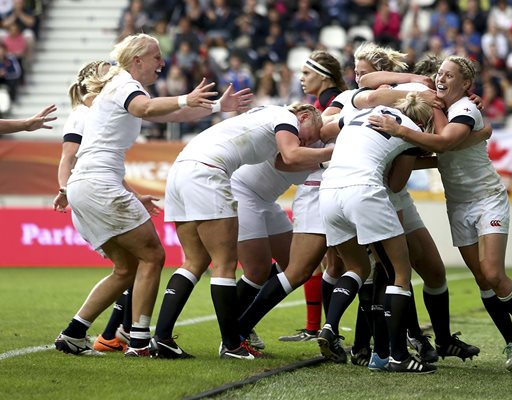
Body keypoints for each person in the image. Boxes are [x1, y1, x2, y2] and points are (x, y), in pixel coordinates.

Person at [54, 33, 252, 357]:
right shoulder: (124, 84)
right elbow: (148, 107)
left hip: (87, 186)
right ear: (137, 60)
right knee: (154, 256)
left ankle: (74, 333)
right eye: (157, 57)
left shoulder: (119, 87)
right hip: (98, 184)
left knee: (126, 267)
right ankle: (140, 341)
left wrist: (217, 106)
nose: (162, 63)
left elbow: (167, 114)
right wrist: (187, 97)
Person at [368, 55, 512, 371]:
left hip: (487, 199)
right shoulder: (442, 108)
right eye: (439, 73)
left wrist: (400, 130)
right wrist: (478, 129)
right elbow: (440, 151)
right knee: (482, 278)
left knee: (493, 273)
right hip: (459, 204)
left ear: (466, 84)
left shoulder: (465, 109)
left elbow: (445, 143)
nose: (441, 78)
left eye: (449, 75)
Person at [153, 103, 332, 360]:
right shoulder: (285, 119)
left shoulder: (268, 116)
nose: (308, 141)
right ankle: (233, 343)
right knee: (231, 265)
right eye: (310, 134)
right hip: (219, 177)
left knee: (294, 265)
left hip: (186, 168)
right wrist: (333, 152)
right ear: (303, 116)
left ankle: (164, 338)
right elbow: (289, 158)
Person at [317, 92, 436, 374]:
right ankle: (398, 356)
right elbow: (395, 184)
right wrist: (433, 160)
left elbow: (326, 129)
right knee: (399, 272)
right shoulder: (412, 130)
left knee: (357, 267)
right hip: (363, 190)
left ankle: (330, 326)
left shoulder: (361, 112)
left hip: (328, 191)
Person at [51, 60, 133, 353]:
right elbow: (68, 157)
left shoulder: (101, 110)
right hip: (91, 195)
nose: (113, 70)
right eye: (105, 68)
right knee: (137, 262)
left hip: (99, 190)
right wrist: (65, 187)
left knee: (132, 265)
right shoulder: (83, 114)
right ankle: (118, 333)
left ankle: (108, 333)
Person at [277, 50, 348, 342]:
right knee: (337, 265)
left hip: (329, 188)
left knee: (329, 266)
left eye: (307, 73)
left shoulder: (332, 105)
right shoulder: (326, 102)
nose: (301, 78)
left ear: (324, 75)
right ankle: (321, 329)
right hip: (339, 187)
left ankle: (318, 328)